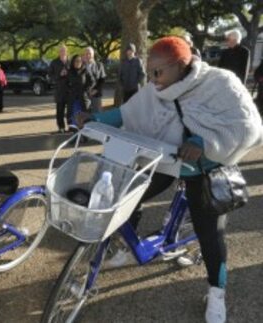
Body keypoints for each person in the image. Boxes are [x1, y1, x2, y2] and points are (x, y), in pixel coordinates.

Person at [78, 36, 262, 323]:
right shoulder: (156, 88)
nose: (152, 79)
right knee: (125, 195)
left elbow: (248, 125)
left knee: (210, 234)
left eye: (158, 72)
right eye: (149, 72)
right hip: (165, 159)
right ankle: (128, 246)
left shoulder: (220, 82)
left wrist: (205, 141)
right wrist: (94, 120)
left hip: (203, 167)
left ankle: (216, 292)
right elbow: (128, 112)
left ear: (180, 65)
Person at [67, 54, 95, 130]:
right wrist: (69, 90)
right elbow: (66, 83)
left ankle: (84, 136)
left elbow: (92, 81)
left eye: (79, 61)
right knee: (74, 117)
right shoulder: (69, 72)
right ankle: (75, 134)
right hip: (73, 98)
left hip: (83, 98)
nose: (78, 62)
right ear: (73, 62)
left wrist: (86, 89)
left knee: (84, 117)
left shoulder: (85, 70)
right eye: (76, 61)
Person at [49, 45, 70, 133]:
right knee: (60, 111)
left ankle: (71, 127)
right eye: (61, 51)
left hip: (70, 90)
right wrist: (59, 75)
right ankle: (61, 127)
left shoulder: (71, 61)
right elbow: (50, 76)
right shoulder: (54, 62)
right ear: (59, 52)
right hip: (59, 90)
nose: (62, 52)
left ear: (67, 51)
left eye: (64, 50)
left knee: (70, 110)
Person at [84, 47, 106, 113]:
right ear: (84, 55)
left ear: (93, 55)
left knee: (97, 115)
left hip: (96, 94)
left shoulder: (99, 65)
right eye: (86, 54)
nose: (88, 55)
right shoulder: (81, 66)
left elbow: (102, 80)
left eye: (90, 53)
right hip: (85, 96)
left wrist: (95, 90)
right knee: (86, 116)